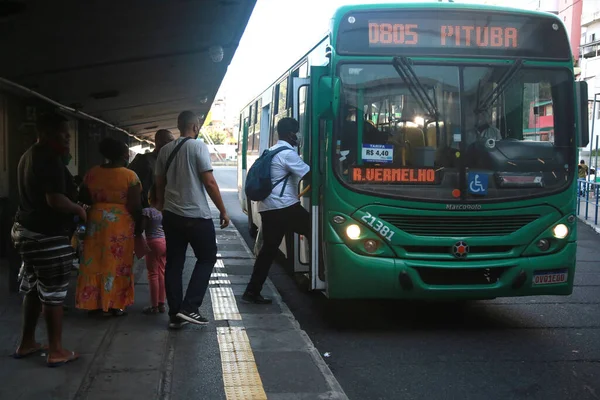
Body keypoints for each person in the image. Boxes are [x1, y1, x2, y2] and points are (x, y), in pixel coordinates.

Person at [11, 112, 85, 367]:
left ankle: (27, 342)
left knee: (33, 289)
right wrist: (78, 209)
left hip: (25, 231)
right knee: (53, 294)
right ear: (47, 132)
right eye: (63, 132)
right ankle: (56, 351)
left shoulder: (28, 155)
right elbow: (54, 200)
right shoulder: (49, 159)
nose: (67, 137)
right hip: (46, 235)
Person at [154, 110, 230, 329]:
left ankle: (175, 314)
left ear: (179, 126)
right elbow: (210, 182)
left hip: (171, 216)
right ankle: (190, 307)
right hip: (197, 216)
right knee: (206, 258)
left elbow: (159, 182)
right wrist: (223, 211)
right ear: (195, 127)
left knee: (174, 264)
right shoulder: (198, 146)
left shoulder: (165, 150)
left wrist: (160, 204)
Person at [243, 117, 311, 304]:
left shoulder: (271, 150)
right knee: (315, 230)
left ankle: (252, 291)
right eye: (296, 133)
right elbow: (310, 174)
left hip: (268, 208)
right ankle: (317, 272)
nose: (297, 137)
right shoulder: (288, 154)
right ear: (291, 134)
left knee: (268, 250)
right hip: (284, 207)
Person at [75, 137, 142, 317]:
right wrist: (140, 227)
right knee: (118, 263)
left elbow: (83, 195)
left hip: (96, 221)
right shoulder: (130, 176)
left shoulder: (92, 173)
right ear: (122, 154)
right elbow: (135, 205)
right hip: (120, 224)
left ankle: (95, 304)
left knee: (95, 261)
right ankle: (114, 304)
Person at [128, 129, 174, 208]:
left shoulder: (170, 161)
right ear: (159, 142)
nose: (173, 145)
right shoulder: (144, 160)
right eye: (170, 141)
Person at [140, 185, 167, 315]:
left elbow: (141, 228)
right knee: (162, 272)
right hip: (164, 242)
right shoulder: (165, 211)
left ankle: (154, 306)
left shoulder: (148, 211)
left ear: (150, 197)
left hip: (152, 243)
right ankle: (162, 303)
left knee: (153, 274)